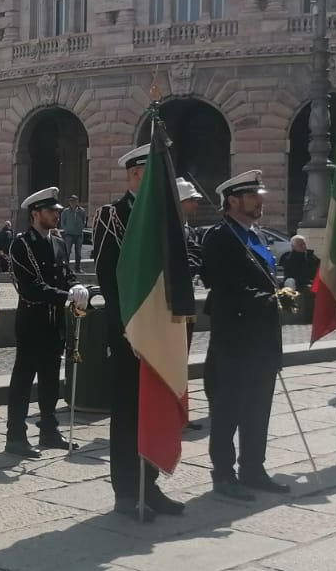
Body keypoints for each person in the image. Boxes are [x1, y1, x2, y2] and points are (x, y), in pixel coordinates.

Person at [93, 144, 183, 519]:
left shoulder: (165, 216)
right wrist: (127, 330)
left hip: (160, 331)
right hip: (130, 333)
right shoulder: (112, 216)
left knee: (155, 408)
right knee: (128, 412)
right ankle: (127, 491)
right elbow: (107, 279)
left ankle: (151, 484)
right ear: (135, 175)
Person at [200, 170, 288, 501]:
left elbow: (265, 280)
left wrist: (279, 295)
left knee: (258, 408)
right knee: (228, 410)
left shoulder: (256, 235)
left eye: (259, 196)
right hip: (235, 340)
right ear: (233, 201)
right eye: (253, 197)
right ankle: (224, 473)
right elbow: (224, 288)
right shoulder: (220, 237)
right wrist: (269, 299)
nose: (260, 201)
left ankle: (254, 468)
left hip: (263, 338)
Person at [4, 187, 89, 458]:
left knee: (51, 378)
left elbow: (65, 274)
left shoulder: (58, 242)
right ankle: (15, 435)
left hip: (54, 323)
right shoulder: (22, 243)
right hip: (32, 322)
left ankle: (49, 429)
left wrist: (77, 287)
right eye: (51, 211)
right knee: (23, 379)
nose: (56, 216)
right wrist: (67, 295)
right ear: (35, 213)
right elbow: (31, 287)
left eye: (57, 211)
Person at [176, 177, 206, 433]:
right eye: (191, 201)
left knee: (181, 359)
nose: (195, 206)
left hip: (186, 302)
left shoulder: (188, 230)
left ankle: (180, 411)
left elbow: (196, 257)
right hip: (171, 305)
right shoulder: (168, 229)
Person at [279, 235, 320, 318]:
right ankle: (307, 315)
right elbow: (292, 275)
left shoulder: (311, 256)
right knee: (308, 289)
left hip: (311, 281)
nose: (303, 246)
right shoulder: (289, 259)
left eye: (304, 243)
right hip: (297, 283)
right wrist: (308, 282)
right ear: (293, 247)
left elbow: (318, 268)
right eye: (300, 245)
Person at [61, 195, 88, 268]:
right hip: (69, 234)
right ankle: (66, 268)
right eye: (70, 201)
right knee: (68, 252)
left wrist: (82, 226)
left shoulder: (81, 211)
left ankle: (77, 268)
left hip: (79, 234)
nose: (72, 203)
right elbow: (62, 222)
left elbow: (84, 220)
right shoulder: (66, 211)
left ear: (77, 202)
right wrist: (66, 229)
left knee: (78, 252)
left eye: (73, 201)